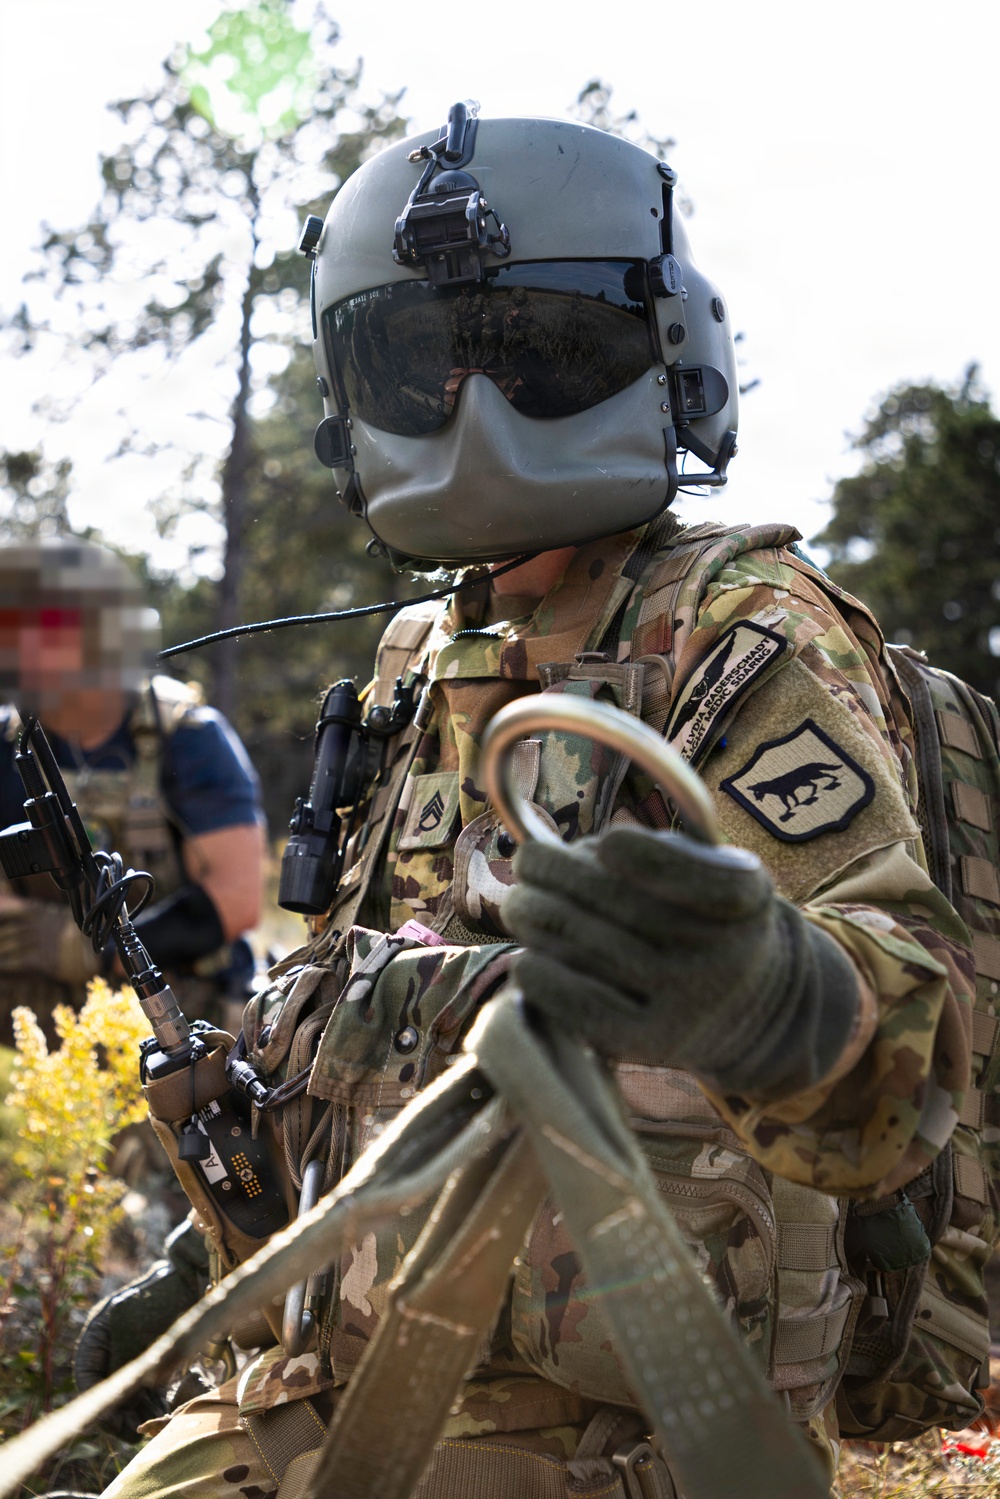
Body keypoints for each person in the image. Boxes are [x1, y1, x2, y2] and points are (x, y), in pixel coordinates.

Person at [93, 106, 995, 1497]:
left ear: (663, 349)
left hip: (631, 1430)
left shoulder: (742, 628)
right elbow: (369, 1007)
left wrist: (771, 996)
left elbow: (903, 1039)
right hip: (351, 1363)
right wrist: (215, 1267)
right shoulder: (418, 648)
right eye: (423, 362)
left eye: (539, 350)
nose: (477, 407)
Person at [0, 538, 266, 1043]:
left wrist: (92, 950)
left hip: (183, 1011)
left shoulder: (188, 738)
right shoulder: (7, 746)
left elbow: (236, 898)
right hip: (50, 1020)